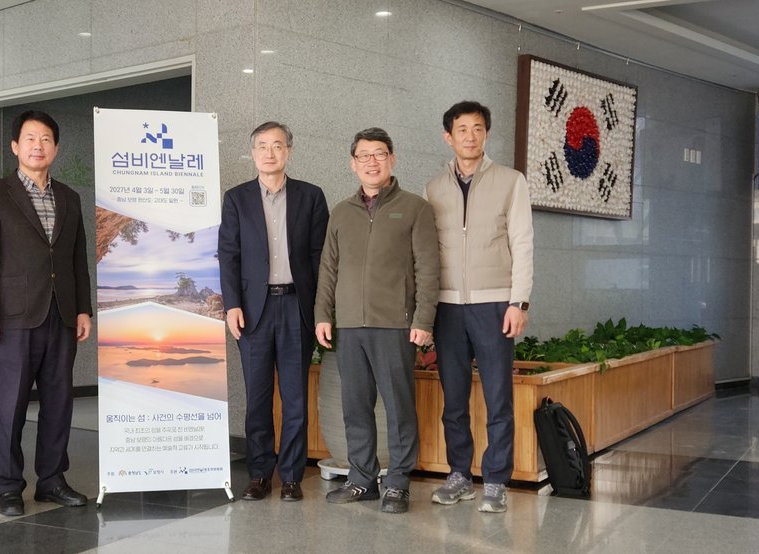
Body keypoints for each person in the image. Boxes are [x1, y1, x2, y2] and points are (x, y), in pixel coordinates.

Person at [0, 110, 93, 517]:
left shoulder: (70, 198)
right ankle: (8, 486)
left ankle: (52, 480)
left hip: (62, 314)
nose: (37, 146)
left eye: (45, 139)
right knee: (11, 404)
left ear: (55, 148)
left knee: (59, 402)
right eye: (29, 138)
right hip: (14, 317)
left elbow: (77, 259)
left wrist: (83, 309)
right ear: (15, 147)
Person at [313, 127, 439, 514]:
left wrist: (423, 320)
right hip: (349, 326)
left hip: (395, 325)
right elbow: (328, 269)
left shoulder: (415, 208)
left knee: (399, 407)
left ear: (392, 159)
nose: (372, 161)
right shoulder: (341, 212)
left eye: (379, 154)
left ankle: (398, 483)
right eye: (364, 155)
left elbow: (428, 269)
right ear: (353, 164)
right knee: (355, 406)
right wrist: (322, 314)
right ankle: (362, 479)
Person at [424, 101, 533, 514]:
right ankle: (459, 475)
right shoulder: (433, 188)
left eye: (477, 129)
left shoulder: (510, 181)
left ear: (486, 134)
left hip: (495, 305)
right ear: (448, 137)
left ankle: (496, 480)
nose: (470, 136)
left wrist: (518, 301)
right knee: (453, 400)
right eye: (462, 129)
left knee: (498, 397)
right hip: (447, 307)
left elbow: (522, 243)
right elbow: (426, 253)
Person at [218, 122, 329, 502]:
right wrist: (232, 304)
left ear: (289, 152)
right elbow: (228, 255)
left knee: (296, 398)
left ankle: (293, 476)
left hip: (297, 306)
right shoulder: (237, 199)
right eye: (262, 146)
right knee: (258, 397)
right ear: (253, 153)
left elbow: (321, 257)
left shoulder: (311, 196)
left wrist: (321, 309)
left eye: (277, 145)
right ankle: (260, 474)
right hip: (254, 312)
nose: (270, 153)